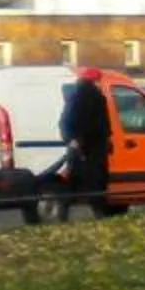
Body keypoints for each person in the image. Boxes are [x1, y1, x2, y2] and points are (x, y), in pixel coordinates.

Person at [52, 69, 114, 221]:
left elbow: (65, 122)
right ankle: (99, 213)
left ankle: (65, 212)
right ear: (93, 81)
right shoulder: (93, 97)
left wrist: (71, 139)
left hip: (82, 147)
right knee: (96, 182)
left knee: (76, 182)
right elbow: (101, 124)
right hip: (92, 147)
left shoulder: (76, 97)